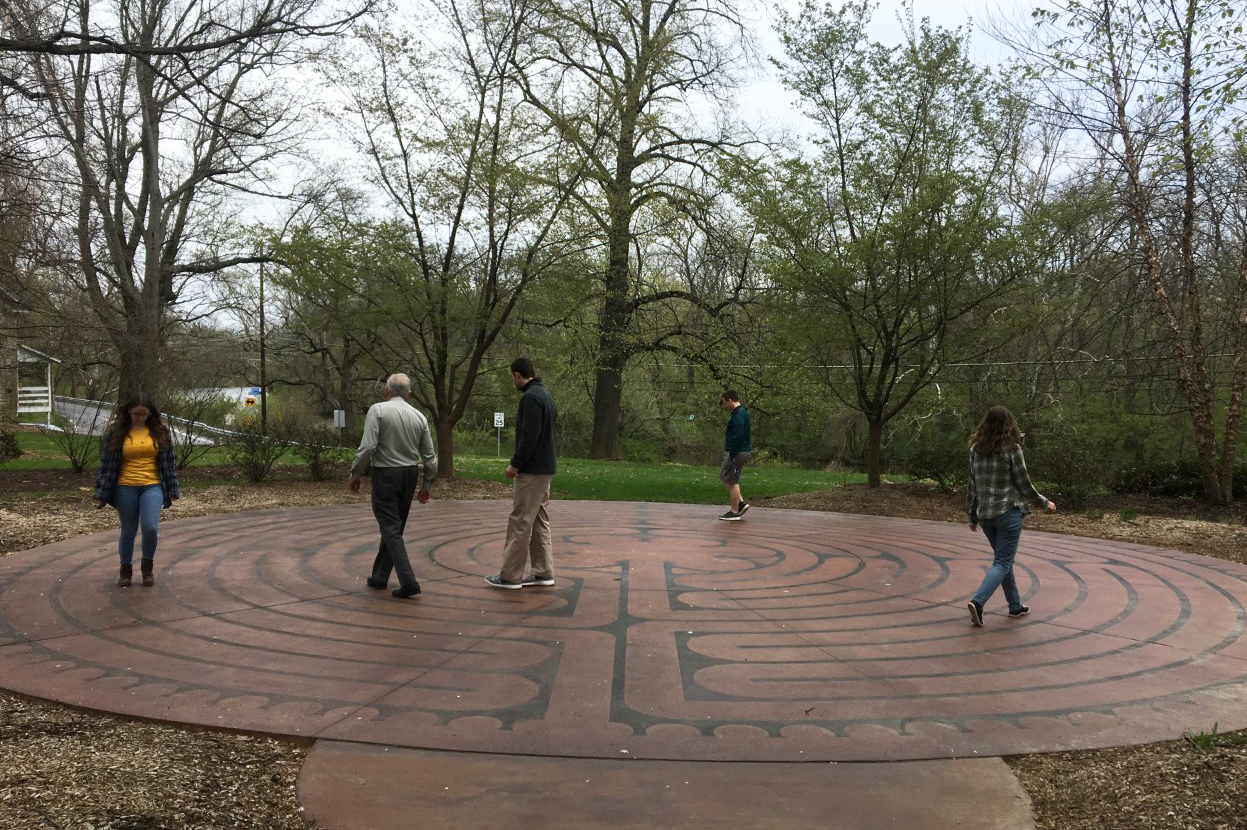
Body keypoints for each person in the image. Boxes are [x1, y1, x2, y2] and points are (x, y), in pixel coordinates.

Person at [965, 405, 1056, 626]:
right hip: (1008, 514)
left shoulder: (975, 449)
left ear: (984, 425)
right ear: (1009, 425)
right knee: (1003, 561)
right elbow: (1024, 484)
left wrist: (972, 514)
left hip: (985, 514)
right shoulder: (1012, 449)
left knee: (1003, 561)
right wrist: (1045, 503)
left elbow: (972, 485)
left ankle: (1015, 606)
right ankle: (978, 602)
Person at [349, 373, 438, 599]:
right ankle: (379, 576)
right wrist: (427, 483)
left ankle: (408, 581)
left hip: (386, 473)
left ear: (387, 391)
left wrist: (356, 471)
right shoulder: (419, 417)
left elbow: (368, 445)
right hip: (410, 474)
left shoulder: (378, 410)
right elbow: (430, 457)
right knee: (394, 527)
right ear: (408, 393)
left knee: (390, 527)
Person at [94, 393, 181, 588]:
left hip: (152, 485)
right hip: (125, 486)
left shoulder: (160, 432)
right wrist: (100, 490)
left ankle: (147, 566)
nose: (140, 418)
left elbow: (169, 463)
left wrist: (173, 487)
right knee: (129, 530)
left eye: (144, 414)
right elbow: (106, 464)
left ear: (150, 413)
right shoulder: (116, 432)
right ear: (129, 412)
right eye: (136, 414)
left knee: (150, 528)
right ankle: (125, 569)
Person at [486, 357, 558, 589]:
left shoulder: (530, 398)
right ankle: (543, 571)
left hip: (532, 470)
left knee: (520, 521)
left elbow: (530, 436)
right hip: (546, 468)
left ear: (517, 374)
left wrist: (516, 464)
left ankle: (510, 576)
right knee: (539, 520)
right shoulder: (545, 396)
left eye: (512, 377)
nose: (513, 382)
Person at [718, 390, 751, 521]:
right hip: (737, 451)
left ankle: (734, 511)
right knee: (724, 477)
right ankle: (741, 504)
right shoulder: (740, 412)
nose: (724, 406)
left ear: (730, 400)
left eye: (725, 403)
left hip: (737, 452)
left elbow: (738, 436)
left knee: (732, 481)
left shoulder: (738, 415)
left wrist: (732, 453)